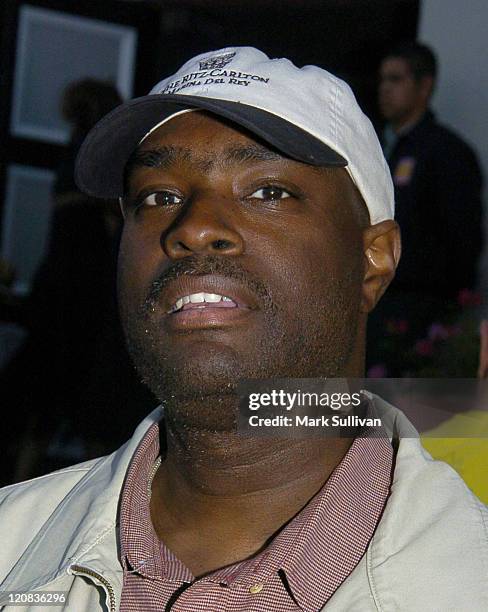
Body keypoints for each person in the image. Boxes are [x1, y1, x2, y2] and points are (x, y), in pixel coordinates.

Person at [0, 47, 486, 611]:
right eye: (159, 196)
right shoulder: (12, 543)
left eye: (267, 192)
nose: (195, 227)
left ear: (373, 261)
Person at [368, 42, 484, 369]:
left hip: (417, 309)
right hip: (375, 299)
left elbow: (462, 242)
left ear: (424, 86)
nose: (384, 90)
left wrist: (442, 308)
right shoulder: (378, 146)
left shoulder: (447, 152)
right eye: (382, 80)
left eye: (395, 80)